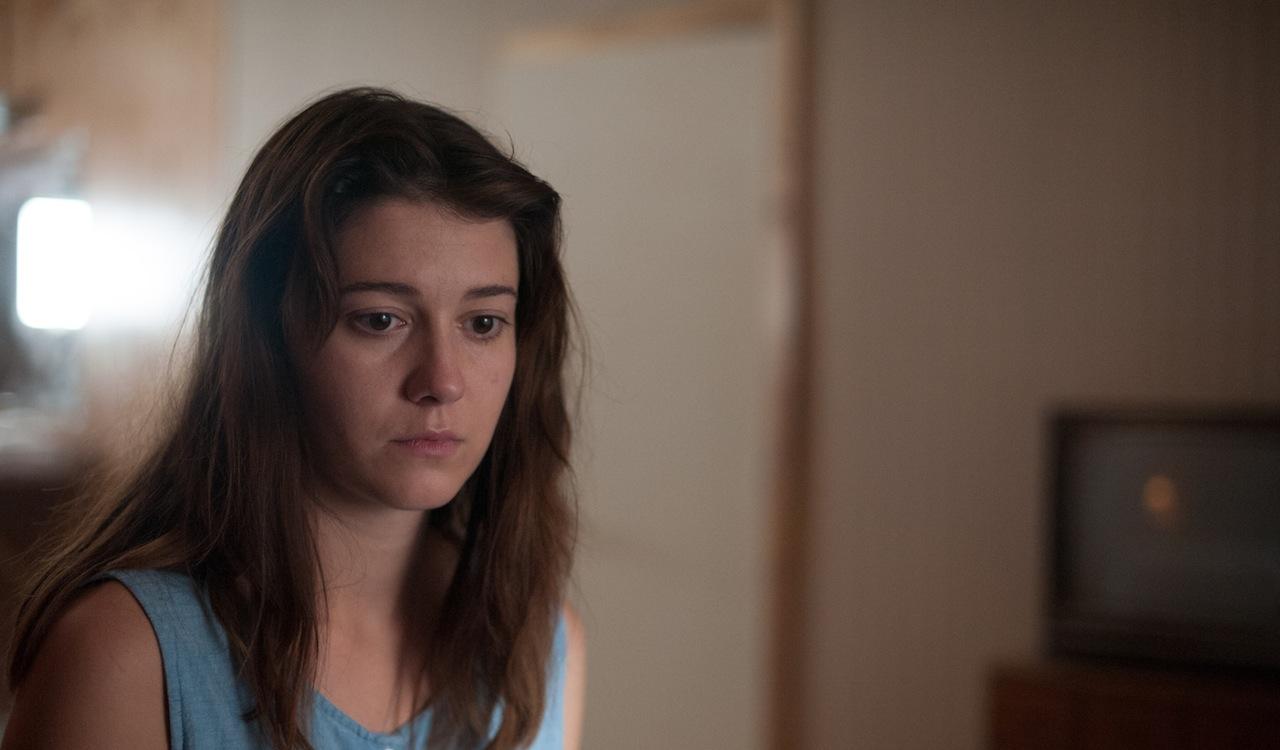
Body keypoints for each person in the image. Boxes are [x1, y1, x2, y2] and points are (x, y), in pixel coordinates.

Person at [1, 87, 585, 750]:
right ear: (267, 337)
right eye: (380, 320)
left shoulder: (537, 645)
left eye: (482, 323)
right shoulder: (126, 657)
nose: (442, 381)